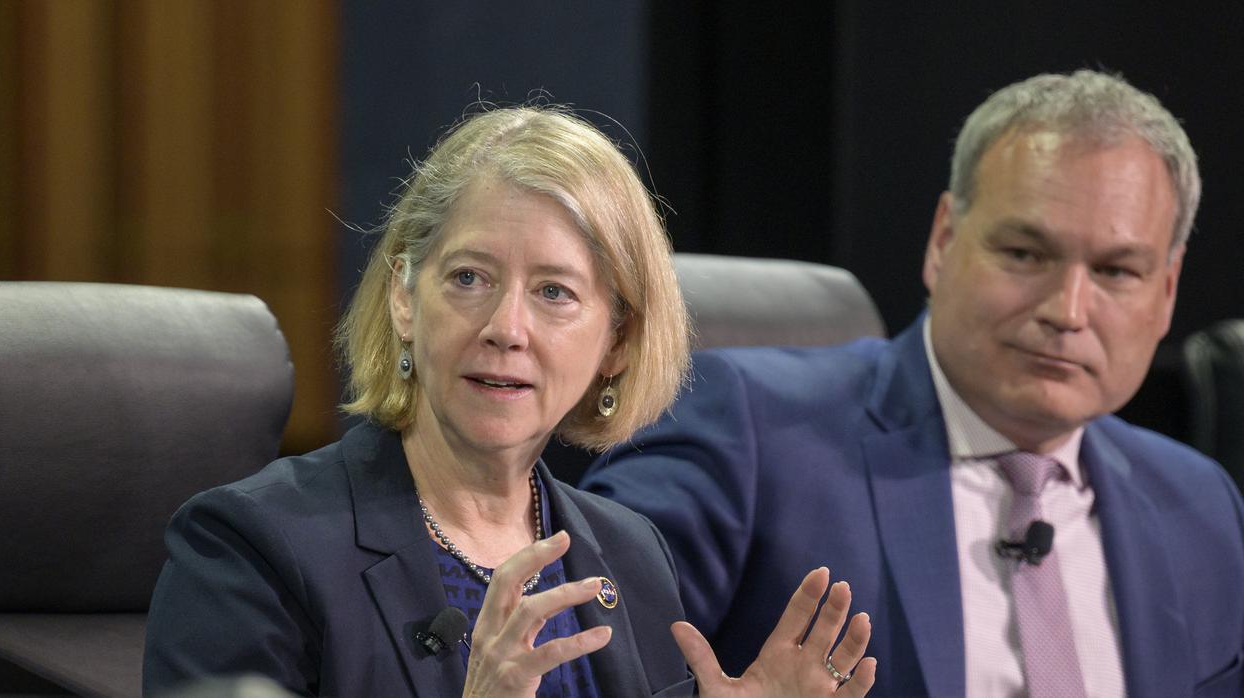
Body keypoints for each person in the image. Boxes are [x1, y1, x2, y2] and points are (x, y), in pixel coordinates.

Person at [143, 106, 877, 696]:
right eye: (469, 278)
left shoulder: (631, 555)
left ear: (617, 342)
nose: (506, 328)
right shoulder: (252, 548)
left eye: (554, 292)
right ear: (404, 297)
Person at [583, 70, 1244, 697]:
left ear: (1166, 291)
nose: (1068, 312)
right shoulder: (749, 435)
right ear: (943, 241)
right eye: (1024, 254)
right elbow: (575, 664)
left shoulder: (1201, 506)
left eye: (1116, 272)